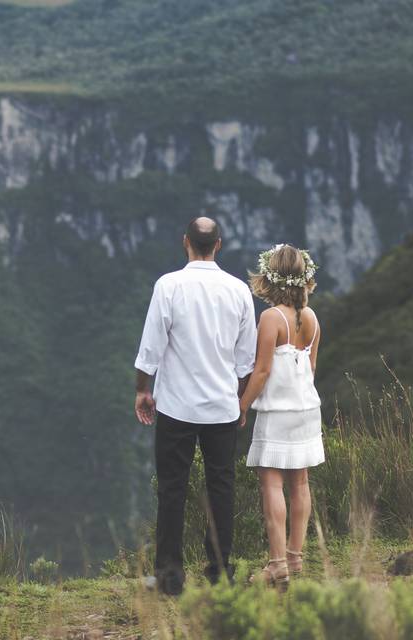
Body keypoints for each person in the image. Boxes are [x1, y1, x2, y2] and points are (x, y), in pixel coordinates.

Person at [134, 217, 257, 595]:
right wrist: (240, 400)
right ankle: (220, 571)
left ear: (185, 242)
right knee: (221, 486)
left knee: (173, 488)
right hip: (221, 407)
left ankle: (170, 577)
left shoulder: (168, 286)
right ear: (218, 244)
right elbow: (245, 359)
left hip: (176, 407)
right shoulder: (238, 290)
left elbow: (151, 346)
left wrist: (143, 390)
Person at [238, 244, 325, 591]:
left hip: (276, 412)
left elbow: (261, 372)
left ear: (270, 276)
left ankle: (276, 565)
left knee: (271, 484)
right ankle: (295, 557)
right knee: (300, 483)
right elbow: (312, 367)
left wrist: (241, 406)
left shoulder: (272, 318)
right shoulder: (313, 318)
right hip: (306, 409)